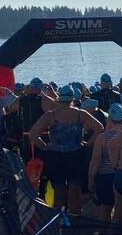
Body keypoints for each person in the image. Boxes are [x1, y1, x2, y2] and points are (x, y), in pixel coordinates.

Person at [29, 85, 104, 214]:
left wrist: (44, 146)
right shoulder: (81, 114)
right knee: (74, 193)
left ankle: (57, 223)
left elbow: (33, 133)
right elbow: (100, 128)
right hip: (76, 157)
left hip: (55, 157)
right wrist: (88, 144)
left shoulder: (50, 115)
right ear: (72, 99)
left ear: (59, 99)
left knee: (59, 193)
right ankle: (75, 223)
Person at [88, 103, 122, 222]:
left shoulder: (102, 137)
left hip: (106, 176)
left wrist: (91, 180)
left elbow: (95, 161)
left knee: (105, 209)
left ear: (109, 118)